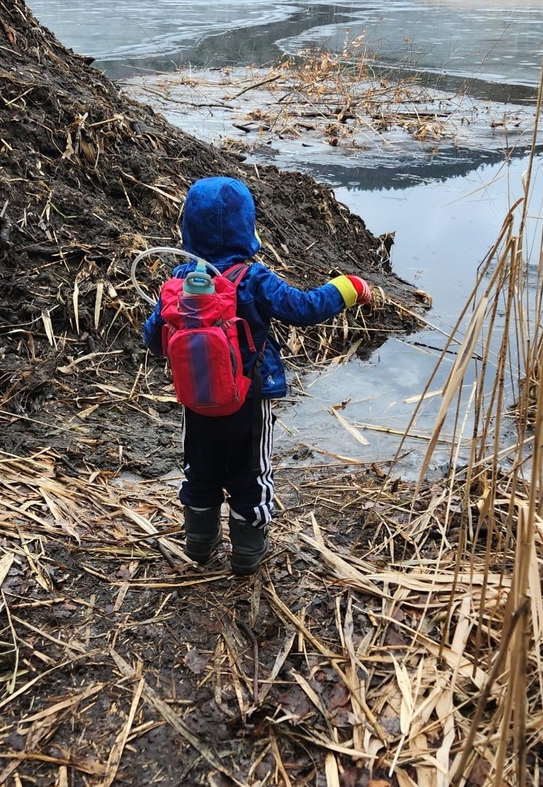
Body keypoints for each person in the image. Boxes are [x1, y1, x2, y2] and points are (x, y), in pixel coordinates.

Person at [142, 176, 375, 575]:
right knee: (252, 474)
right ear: (247, 228)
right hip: (250, 399)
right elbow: (305, 308)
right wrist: (349, 287)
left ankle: (199, 541)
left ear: (188, 230)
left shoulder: (180, 280)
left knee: (200, 469)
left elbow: (153, 338)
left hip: (195, 399)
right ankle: (247, 552)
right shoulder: (252, 278)